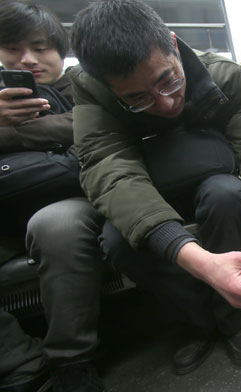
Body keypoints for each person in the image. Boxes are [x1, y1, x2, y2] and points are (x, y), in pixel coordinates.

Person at [69, 0, 241, 373]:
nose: (166, 102)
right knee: (117, 241)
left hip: (212, 180)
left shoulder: (223, 76)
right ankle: (196, 322)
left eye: (168, 79)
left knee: (226, 194)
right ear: (108, 88)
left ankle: (235, 317)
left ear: (174, 45)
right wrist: (203, 264)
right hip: (147, 188)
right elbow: (108, 168)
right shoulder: (90, 88)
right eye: (137, 99)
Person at [0, 1, 106, 391]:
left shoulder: (86, 83)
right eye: (13, 48)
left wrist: (11, 133)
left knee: (55, 227)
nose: (28, 59)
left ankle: (71, 360)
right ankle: (19, 361)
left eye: (40, 47)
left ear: (60, 50)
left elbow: (88, 124)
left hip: (67, 195)